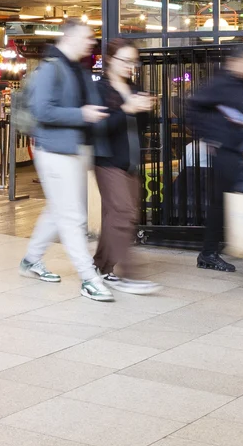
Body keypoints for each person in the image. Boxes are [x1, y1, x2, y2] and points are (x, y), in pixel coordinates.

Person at [17, 18, 114, 302]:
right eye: (86, 38)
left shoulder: (77, 69)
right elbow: (42, 111)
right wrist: (81, 115)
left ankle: (30, 261)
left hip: (75, 150)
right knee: (73, 217)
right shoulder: (51, 69)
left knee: (58, 211)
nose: (91, 43)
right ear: (69, 38)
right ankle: (88, 278)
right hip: (54, 151)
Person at [93, 39, 158, 294]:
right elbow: (99, 127)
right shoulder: (100, 90)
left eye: (134, 61)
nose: (131, 66)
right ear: (111, 60)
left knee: (116, 217)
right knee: (123, 213)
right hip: (107, 160)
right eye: (126, 60)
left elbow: (141, 127)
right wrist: (126, 109)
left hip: (131, 162)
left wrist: (146, 110)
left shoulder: (134, 88)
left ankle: (101, 266)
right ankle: (130, 274)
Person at [189, 45, 243, 273]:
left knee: (226, 201)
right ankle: (210, 252)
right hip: (225, 151)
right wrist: (212, 138)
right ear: (235, 61)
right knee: (225, 202)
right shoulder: (219, 83)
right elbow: (193, 107)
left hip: (237, 150)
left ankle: (213, 250)